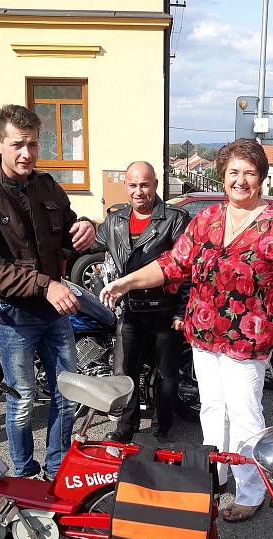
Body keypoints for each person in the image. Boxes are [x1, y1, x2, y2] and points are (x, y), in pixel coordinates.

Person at [101, 138, 273, 522]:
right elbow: (172, 264)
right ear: (222, 176)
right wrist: (127, 281)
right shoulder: (208, 219)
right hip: (204, 334)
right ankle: (214, 477)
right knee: (213, 409)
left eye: (249, 173)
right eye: (234, 172)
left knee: (246, 413)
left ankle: (251, 491)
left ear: (262, 177)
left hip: (248, 340)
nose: (241, 180)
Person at [0, 104, 96, 479]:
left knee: (67, 396)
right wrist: (44, 284)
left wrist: (85, 226)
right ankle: (24, 473)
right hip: (14, 317)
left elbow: (69, 232)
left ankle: (55, 470)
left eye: (33, 144)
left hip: (55, 313)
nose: (26, 153)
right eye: (18, 144)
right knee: (22, 401)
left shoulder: (46, 186)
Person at [90, 161, 190, 442]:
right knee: (124, 372)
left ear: (155, 185)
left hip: (165, 311)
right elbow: (85, 244)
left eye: (144, 184)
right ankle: (127, 426)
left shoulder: (175, 219)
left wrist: (182, 311)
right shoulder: (114, 221)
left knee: (166, 374)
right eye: (133, 185)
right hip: (130, 311)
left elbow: (188, 269)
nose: (138, 191)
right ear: (126, 187)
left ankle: (161, 427)